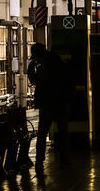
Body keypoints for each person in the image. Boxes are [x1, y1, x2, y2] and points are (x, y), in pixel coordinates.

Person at [29, 43, 71, 171]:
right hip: (62, 102)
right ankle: (64, 160)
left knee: (42, 133)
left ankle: (39, 161)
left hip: (48, 103)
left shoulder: (45, 66)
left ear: (38, 54)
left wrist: (31, 69)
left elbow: (36, 81)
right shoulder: (59, 63)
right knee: (63, 132)